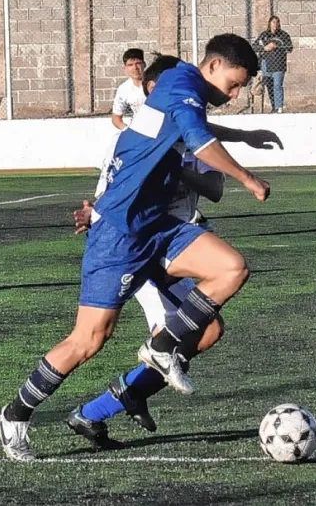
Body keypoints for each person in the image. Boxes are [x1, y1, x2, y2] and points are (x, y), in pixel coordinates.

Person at [0, 34, 272, 461]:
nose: (233, 95)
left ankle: (160, 350)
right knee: (88, 340)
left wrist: (243, 134)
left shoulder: (180, 88)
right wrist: (249, 178)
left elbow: (195, 127)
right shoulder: (184, 85)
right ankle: (13, 415)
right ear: (213, 65)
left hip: (159, 227)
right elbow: (198, 140)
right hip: (120, 234)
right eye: (234, 84)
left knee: (231, 268)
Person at [66, 54, 282, 449]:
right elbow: (114, 195)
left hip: (178, 237)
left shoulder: (193, 133)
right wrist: (91, 211)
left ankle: (107, 404)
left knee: (208, 330)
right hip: (141, 245)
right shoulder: (142, 137)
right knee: (160, 336)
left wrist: (233, 139)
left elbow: (214, 191)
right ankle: (107, 402)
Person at [252, 16, 293, 113]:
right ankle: (274, 107)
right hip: (266, 64)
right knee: (269, 86)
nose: (275, 25)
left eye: (277, 22)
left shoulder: (284, 35)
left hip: (279, 64)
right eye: (273, 22)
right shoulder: (264, 35)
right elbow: (254, 46)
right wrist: (264, 48)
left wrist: (277, 46)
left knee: (277, 85)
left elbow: (290, 48)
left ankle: (279, 108)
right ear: (269, 23)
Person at [111, 48, 146, 130]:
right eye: (130, 65)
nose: (135, 68)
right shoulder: (123, 89)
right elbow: (116, 117)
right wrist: (127, 130)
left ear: (144, 64)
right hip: (139, 129)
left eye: (138, 63)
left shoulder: (155, 82)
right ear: (125, 68)